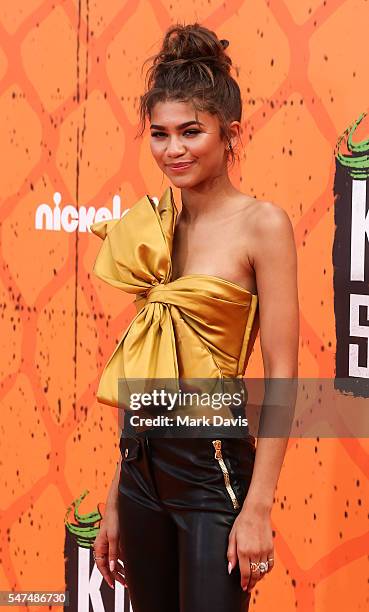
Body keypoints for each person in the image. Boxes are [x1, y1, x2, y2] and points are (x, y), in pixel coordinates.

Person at [90, 22, 299, 612]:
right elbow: (150, 369)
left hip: (214, 474)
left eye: (191, 132)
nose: (173, 150)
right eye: (159, 134)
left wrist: (258, 506)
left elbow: (282, 371)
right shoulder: (153, 227)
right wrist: (115, 493)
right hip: (140, 473)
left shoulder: (263, 225)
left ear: (230, 134)